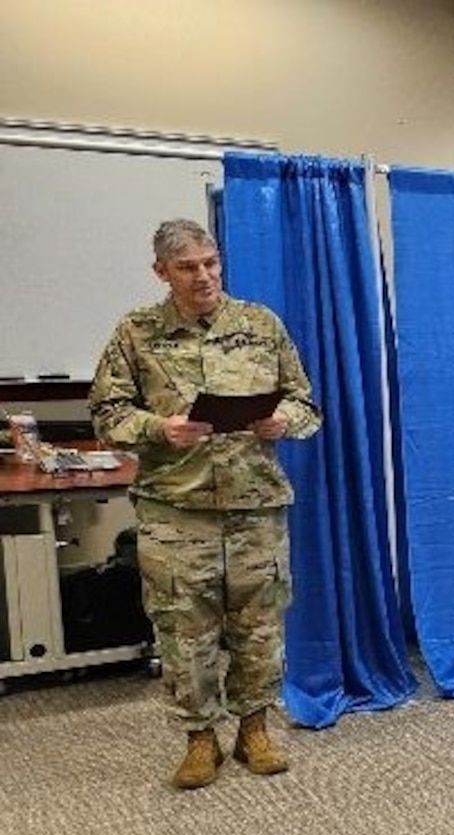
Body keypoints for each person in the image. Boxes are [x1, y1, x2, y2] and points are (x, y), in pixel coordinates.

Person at [89, 219, 321, 790]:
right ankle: (199, 739)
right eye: (189, 267)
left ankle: (254, 730)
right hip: (176, 511)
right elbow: (105, 416)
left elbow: (305, 403)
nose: (204, 276)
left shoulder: (260, 325)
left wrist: (282, 420)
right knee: (183, 632)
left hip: (255, 507)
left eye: (211, 263)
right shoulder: (136, 332)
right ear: (162, 272)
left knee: (259, 628)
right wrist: (157, 427)